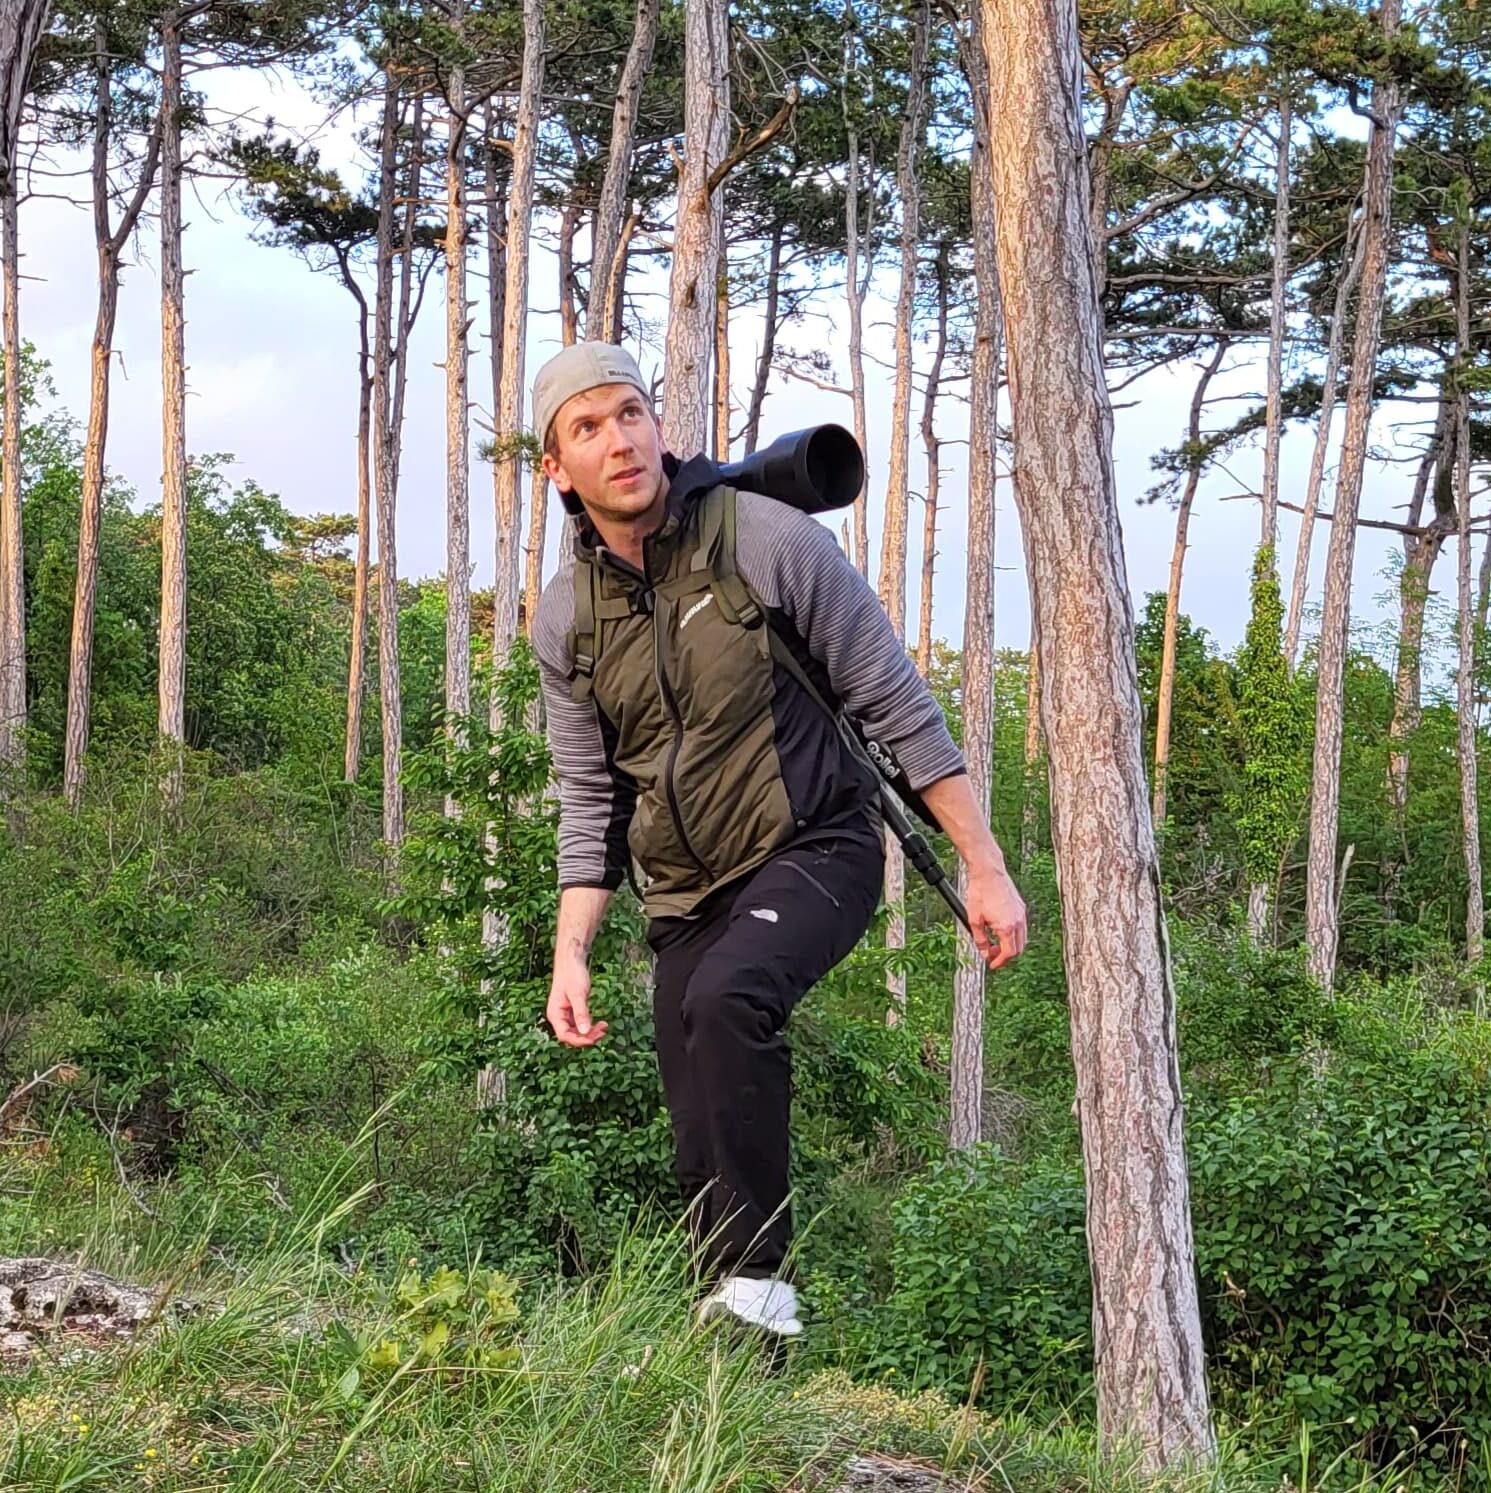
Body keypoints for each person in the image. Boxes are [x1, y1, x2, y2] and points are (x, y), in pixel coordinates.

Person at [529, 341, 1027, 1340]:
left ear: (656, 425)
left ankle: (759, 1284)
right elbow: (590, 797)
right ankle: (739, 1352)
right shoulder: (566, 617)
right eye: (587, 427)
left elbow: (898, 704)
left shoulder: (765, 538)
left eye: (630, 412)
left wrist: (986, 865)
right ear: (557, 468)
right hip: (683, 892)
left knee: (729, 999)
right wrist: (569, 950)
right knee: (699, 1117)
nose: (619, 439)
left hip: (816, 845)